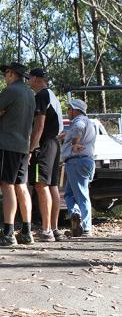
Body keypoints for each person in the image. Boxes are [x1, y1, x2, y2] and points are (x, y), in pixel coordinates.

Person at [0, 62, 36, 246]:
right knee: (21, 186)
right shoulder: (31, 94)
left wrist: (0, 114)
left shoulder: (11, 90)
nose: (5, 77)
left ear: (12, 74)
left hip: (7, 144)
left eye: (6, 73)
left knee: (7, 186)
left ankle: (8, 233)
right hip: (23, 145)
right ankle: (27, 232)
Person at [28, 68, 64, 242]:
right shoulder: (52, 95)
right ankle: (54, 229)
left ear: (35, 78)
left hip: (45, 144)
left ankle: (46, 230)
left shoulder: (41, 95)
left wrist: (30, 149)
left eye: (29, 78)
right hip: (55, 143)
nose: (28, 81)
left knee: (41, 185)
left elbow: (39, 126)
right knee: (52, 186)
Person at [60, 99, 96, 237]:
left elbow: (79, 128)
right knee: (69, 194)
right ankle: (75, 214)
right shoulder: (90, 122)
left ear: (75, 110)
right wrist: (66, 136)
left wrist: (74, 143)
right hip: (84, 161)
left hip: (77, 161)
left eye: (69, 109)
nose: (68, 112)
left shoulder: (79, 120)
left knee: (81, 195)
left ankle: (86, 228)